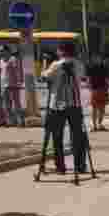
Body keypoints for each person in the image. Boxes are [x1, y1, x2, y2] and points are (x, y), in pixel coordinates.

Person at [41, 41, 87, 174]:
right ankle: (80, 165)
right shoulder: (79, 64)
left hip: (57, 104)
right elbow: (82, 77)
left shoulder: (56, 65)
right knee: (78, 136)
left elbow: (43, 77)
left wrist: (45, 63)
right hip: (75, 104)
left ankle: (60, 166)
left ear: (61, 51)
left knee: (57, 136)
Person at [0, 46, 24, 127]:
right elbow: (2, 72)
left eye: (2, 51)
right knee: (6, 104)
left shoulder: (13, 59)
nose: (1, 52)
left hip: (13, 84)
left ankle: (20, 121)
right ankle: (9, 121)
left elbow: (18, 71)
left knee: (16, 104)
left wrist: (20, 82)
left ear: (7, 51)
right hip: (4, 85)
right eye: (0, 51)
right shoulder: (1, 60)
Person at [87, 55, 109, 132]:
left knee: (99, 108)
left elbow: (88, 79)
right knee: (98, 108)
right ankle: (96, 125)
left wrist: (89, 87)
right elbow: (89, 79)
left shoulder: (98, 67)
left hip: (99, 89)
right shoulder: (98, 67)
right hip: (98, 89)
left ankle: (97, 125)